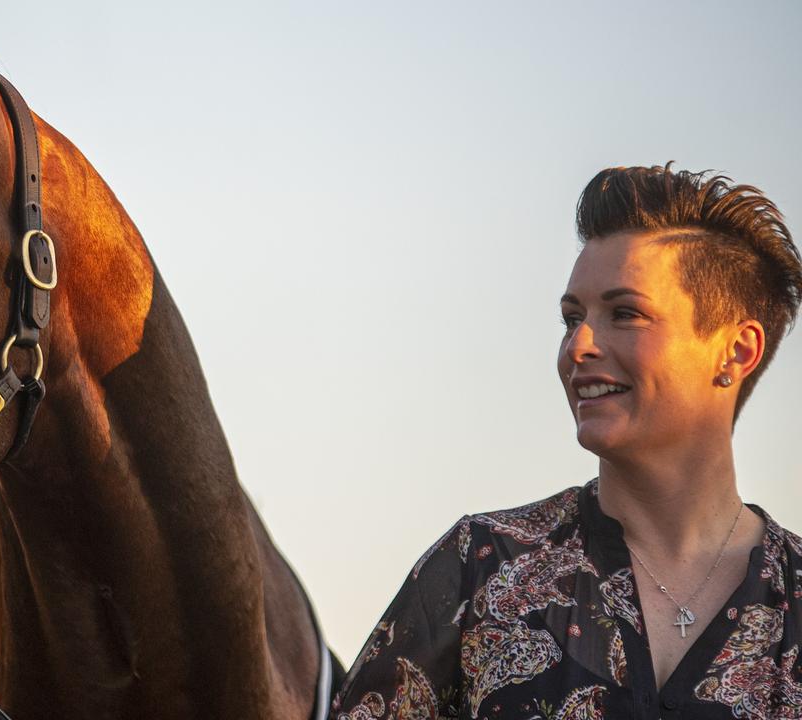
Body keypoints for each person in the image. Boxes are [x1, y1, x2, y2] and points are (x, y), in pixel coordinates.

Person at [330, 165, 802, 720]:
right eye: (571, 318)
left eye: (624, 313)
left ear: (736, 351)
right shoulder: (480, 567)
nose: (578, 345)